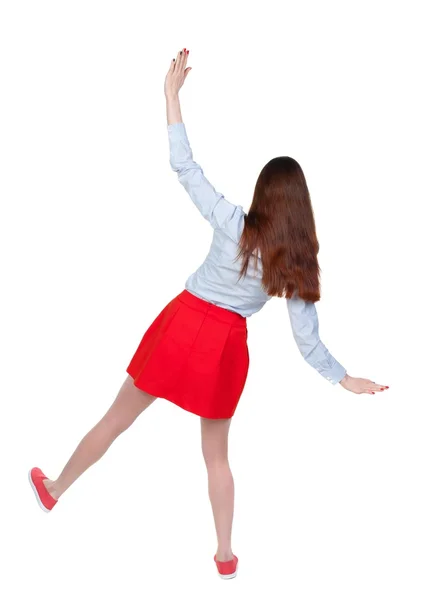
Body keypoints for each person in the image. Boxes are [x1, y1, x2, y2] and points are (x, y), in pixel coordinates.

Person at [28, 47, 388, 580]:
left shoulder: (233, 222)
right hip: (224, 345)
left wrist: (171, 97)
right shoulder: (295, 262)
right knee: (216, 455)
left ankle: (55, 490)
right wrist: (344, 378)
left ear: (264, 196)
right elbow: (306, 340)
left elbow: (184, 167)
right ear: (301, 206)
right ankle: (225, 557)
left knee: (116, 419)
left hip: (182, 324)